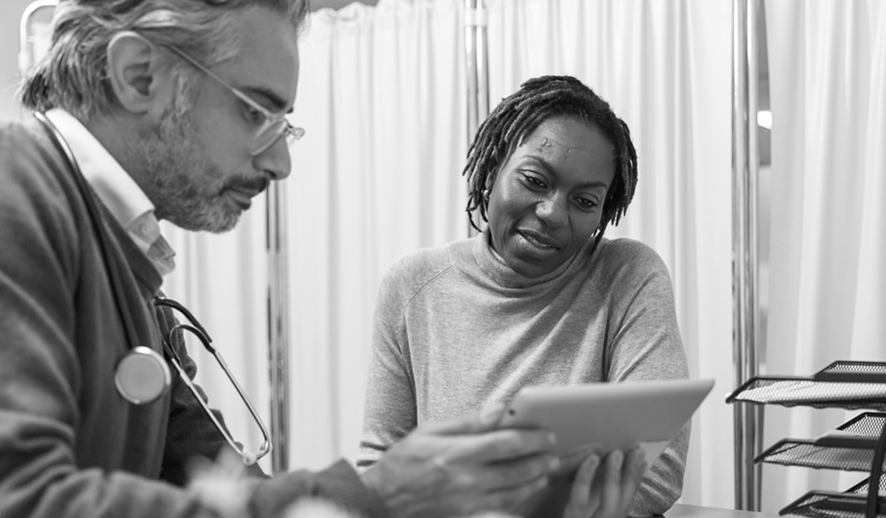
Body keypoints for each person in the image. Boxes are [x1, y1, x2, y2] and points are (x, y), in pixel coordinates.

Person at [0, 1, 565, 517]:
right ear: (138, 76)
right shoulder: (15, 193)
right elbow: (27, 499)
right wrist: (377, 492)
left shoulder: (127, 258)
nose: (279, 163)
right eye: (255, 113)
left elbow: (215, 480)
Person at [359, 75, 690, 518]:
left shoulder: (628, 276)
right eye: (535, 180)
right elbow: (382, 473)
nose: (553, 212)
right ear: (493, 168)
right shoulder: (411, 286)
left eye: (585, 202)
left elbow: (654, 471)